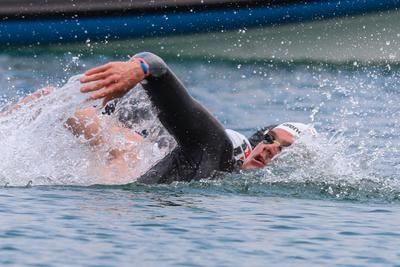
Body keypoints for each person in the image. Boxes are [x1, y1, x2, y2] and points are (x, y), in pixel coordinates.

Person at [73, 52, 316, 184]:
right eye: (269, 138)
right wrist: (141, 68)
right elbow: (158, 67)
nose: (269, 149)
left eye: (284, 149)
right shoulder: (214, 148)